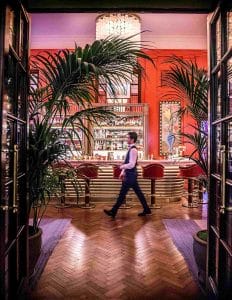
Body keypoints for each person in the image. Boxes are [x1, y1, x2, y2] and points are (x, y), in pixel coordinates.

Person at [104, 132, 151, 218]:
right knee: (138, 193)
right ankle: (146, 209)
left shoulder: (133, 150)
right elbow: (128, 163)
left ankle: (113, 211)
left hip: (130, 176)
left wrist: (121, 167)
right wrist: (122, 172)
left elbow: (132, 164)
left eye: (128, 138)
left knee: (122, 194)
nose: (126, 139)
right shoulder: (131, 149)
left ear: (132, 139)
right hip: (130, 175)